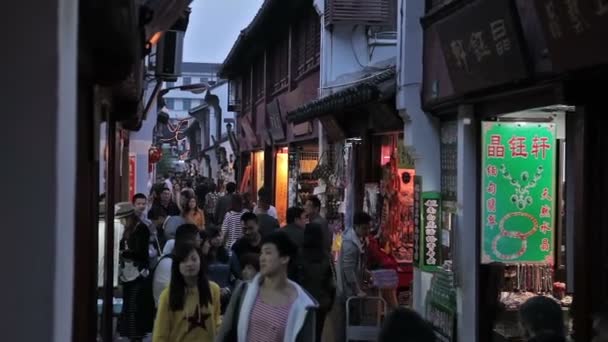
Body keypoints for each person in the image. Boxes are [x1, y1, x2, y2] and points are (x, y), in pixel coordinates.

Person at [216, 232, 318, 342]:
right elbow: (225, 331)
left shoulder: (303, 305)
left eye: (268, 253)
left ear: (284, 258)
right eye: (261, 253)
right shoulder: (244, 290)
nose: (262, 258)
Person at [153, 242, 222, 342]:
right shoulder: (167, 295)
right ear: (177, 265)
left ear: (200, 261)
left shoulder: (214, 289)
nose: (189, 264)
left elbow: (216, 322)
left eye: (194, 259)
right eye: (184, 260)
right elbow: (160, 335)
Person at [116, 202, 154, 341]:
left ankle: (134, 334)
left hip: (137, 272)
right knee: (129, 303)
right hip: (128, 272)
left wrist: (124, 253)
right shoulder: (128, 230)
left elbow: (140, 252)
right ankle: (131, 333)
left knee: (133, 304)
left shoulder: (140, 229)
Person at [299, 223, 336, 342]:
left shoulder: (298, 255)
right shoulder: (326, 256)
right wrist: (330, 302)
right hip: (321, 301)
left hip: (302, 302)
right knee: (317, 334)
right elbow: (331, 282)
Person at [152, 224, 201, 305]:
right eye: (198, 240)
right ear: (190, 241)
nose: (200, 242)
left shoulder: (179, 260)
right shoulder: (169, 263)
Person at [337, 211, 371, 299]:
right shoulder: (350, 244)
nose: (367, 232)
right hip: (348, 291)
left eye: (368, 228)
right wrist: (357, 290)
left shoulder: (358, 239)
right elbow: (348, 270)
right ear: (356, 226)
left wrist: (364, 271)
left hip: (353, 286)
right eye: (364, 228)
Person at [231, 212, 263, 279]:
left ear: (258, 226)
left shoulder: (267, 243)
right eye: (244, 229)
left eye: (251, 228)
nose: (247, 232)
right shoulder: (237, 246)